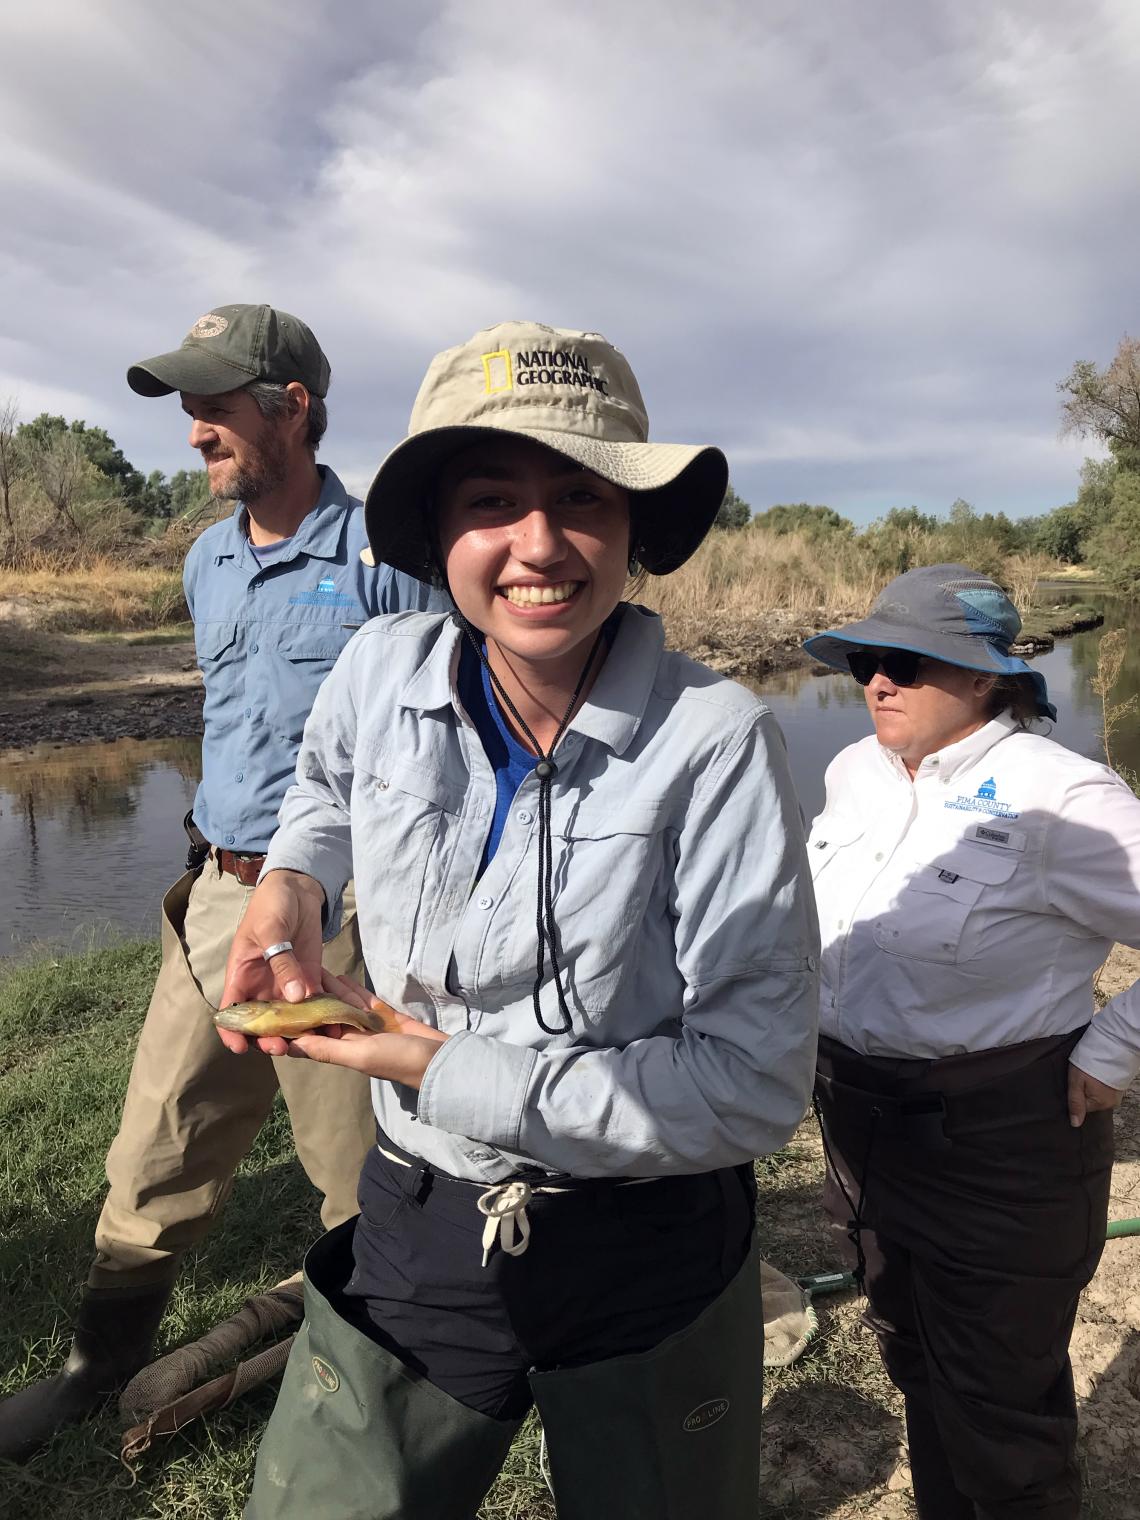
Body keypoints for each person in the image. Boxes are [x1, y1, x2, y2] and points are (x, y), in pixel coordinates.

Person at [216, 320, 821, 1519]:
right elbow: (326, 790)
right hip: (420, 1206)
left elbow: (752, 1084)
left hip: (645, 1237)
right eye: (493, 497)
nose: (539, 545)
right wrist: (293, 878)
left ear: (635, 529)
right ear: (437, 531)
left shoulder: (717, 742)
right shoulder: (378, 669)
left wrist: (441, 1066)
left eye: (582, 498)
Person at [0, 304, 441, 1460]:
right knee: (153, 1150)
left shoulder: (386, 559)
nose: (194, 430)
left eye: (215, 404)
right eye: (186, 408)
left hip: (344, 919)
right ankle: (97, 1368)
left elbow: (449, 743)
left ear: (292, 406)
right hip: (214, 896)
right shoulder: (204, 560)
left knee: (363, 1174)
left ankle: (376, 1391)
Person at [802, 563, 1140, 1520]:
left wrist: (1112, 1049)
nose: (878, 681)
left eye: (909, 663)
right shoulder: (852, 771)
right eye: (869, 659)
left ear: (989, 678)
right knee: (911, 1353)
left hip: (1001, 1140)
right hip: (860, 1125)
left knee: (1001, 1405)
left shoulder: (1064, 800)